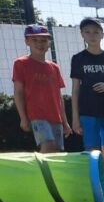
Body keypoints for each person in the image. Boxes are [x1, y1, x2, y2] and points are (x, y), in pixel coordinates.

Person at [70, 18, 104, 198]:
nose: (92, 35)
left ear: (102, 35)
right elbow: (75, 89)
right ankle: (95, 191)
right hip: (88, 112)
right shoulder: (78, 59)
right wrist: (75, 118)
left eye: (96, 32)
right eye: (87, 32)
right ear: (82, 34)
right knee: (92, 152)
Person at [13, 24, 71, 154]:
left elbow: (59, 97)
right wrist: (23, 117)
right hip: (37, 116)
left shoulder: (54, 67)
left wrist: (65, 122)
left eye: (43, 40)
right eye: (35, 40)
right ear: (27, 42)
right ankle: (38, 168)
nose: (40, 44)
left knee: (56, 152)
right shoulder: (20, 63)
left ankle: (47, 168)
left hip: (55, 117)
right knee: (48, 146)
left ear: (49, 43)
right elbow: (18, 92)